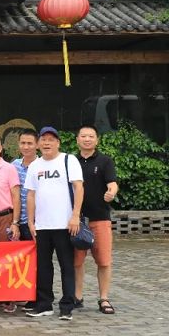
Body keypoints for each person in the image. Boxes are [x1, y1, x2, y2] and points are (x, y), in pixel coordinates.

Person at [25, 126, 83, 321]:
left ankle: (67, 306)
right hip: (42, 226)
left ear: (58, 142)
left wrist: (75, 215)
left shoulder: (68, 160)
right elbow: (31, 195)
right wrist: (31, 221)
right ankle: (44, 304)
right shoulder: (35, 166)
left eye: (51, 139)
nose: (47, 143)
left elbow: (79, 188)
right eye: (44, 139)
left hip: (65, 224)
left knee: (67, 265)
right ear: (39, 144)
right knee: (43, 266)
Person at [74, 125, 119, 314]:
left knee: (104, 261)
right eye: (83, 136)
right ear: (77, 140)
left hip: (100, 218)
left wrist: (111, 193)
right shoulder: (71, 161)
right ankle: (77, 297)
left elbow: (113, 183)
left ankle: (104, 298)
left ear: (97, 140)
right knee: (76, 261)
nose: (87, 139)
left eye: (91, 136)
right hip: (76, 220)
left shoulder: (105, 161)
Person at [12, 130, 39, 243]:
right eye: (23, 143)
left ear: (37, 145)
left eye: (30, 143)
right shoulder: (14, 165)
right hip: (17, 221)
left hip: (37, 221)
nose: (26, 147)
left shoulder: (42, 166)